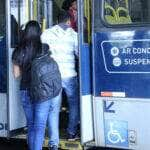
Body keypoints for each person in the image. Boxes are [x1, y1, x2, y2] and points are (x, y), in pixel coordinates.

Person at [12, 20, 61, 150]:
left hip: (25, 90)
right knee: (39, 126)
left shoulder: (18, 50)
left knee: (31, 124)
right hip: (42, 91)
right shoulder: (44, 48)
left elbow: (16, 75)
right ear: (39, 32)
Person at [41, 10, 80, 142]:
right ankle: (71, 133)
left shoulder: (46, 33)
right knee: (74, 104)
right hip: (70, 75)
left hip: (53, 75)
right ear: (69, 21)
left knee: (54, 107)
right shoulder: (74, 35)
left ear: (57, 21)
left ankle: (54, 137)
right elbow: (79, 54)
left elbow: (42, 53)